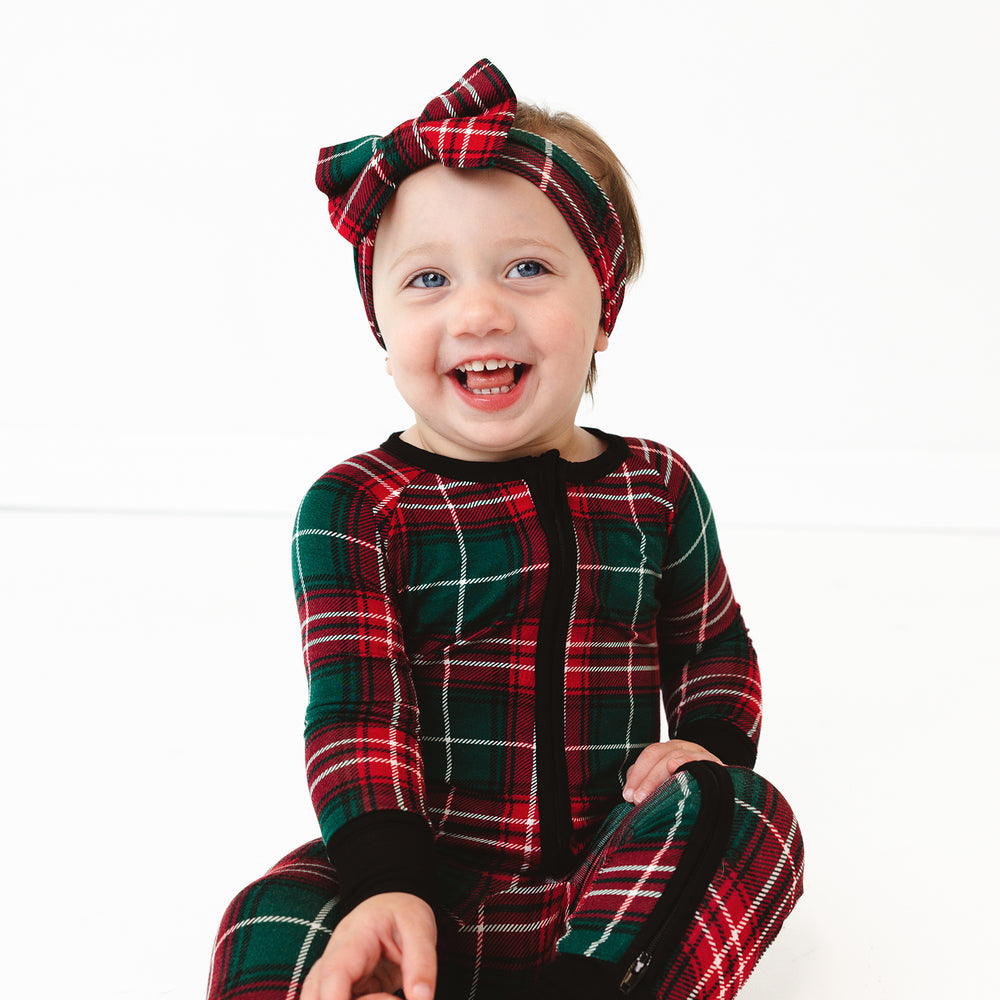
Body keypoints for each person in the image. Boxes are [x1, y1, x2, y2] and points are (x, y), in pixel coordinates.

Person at [207, 58, 804, 1000]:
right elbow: (357, 713)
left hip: (606, 891)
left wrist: (706, 745)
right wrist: (385, 883)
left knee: (750, 815)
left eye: (527, 269)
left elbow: (715, 647)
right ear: (380, 319)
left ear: (603, 306)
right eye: (429, 279)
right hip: (417, 893)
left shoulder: (656, 487)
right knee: (270, 917)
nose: (478, 311)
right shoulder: (358, 506)